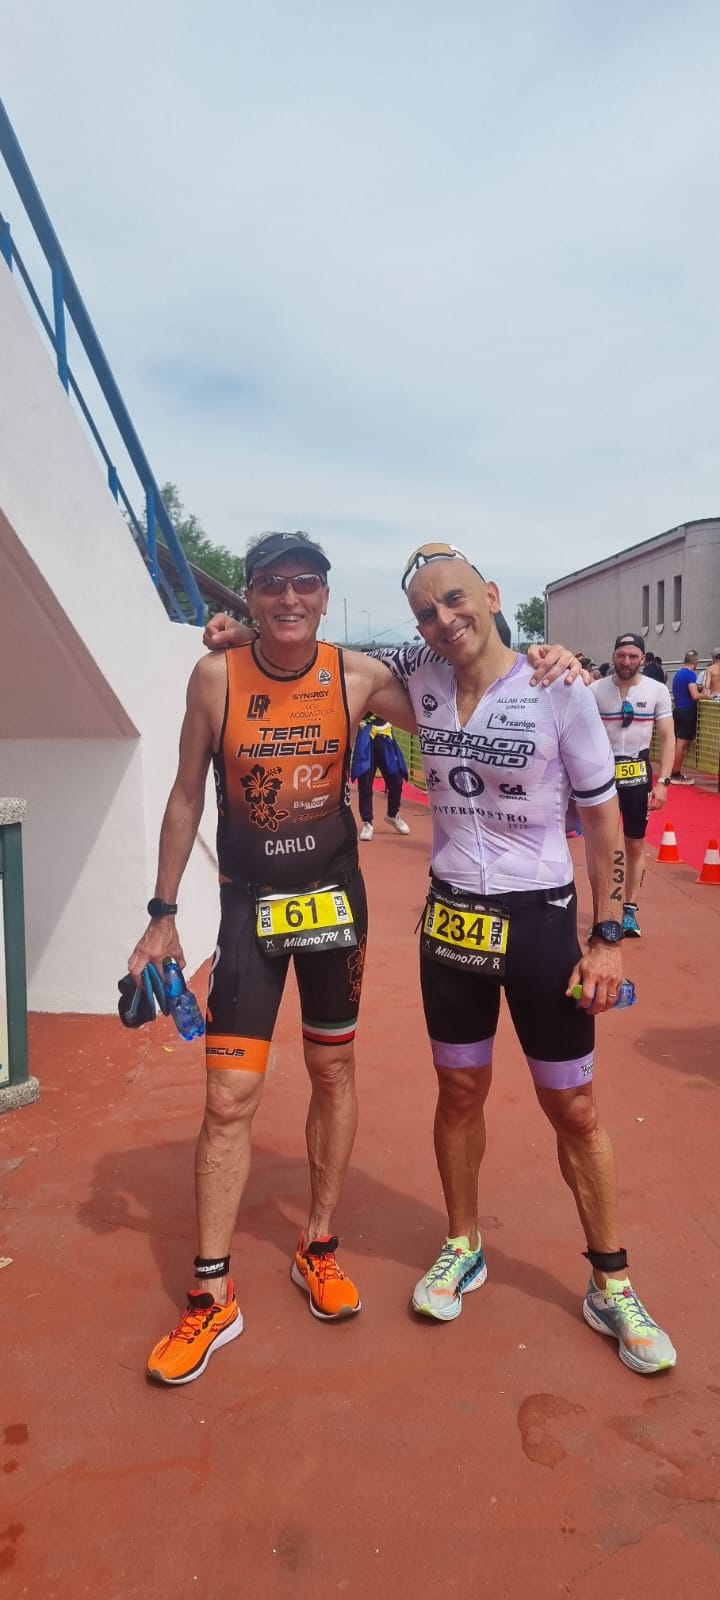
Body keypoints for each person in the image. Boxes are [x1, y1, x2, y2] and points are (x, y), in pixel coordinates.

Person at [134, 530, 580, 1385]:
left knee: (332, 1071)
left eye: (304, 583)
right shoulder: (216, 676)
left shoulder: (360, 676)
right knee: (228, 1097)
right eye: (271, 585)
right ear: (250, 596)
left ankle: (319, 1245)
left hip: (337, 905)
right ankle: (211, 1292)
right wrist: (162, 914)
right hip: (249, 908)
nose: (288, 597)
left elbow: (464, 689)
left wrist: (545, 661)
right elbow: (187, 792)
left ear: (325, 597)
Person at [377, 542, 675, 1375]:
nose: (444, 619)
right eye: (426, 612)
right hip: (452, 921)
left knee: (573, 1108)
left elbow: (604, 820)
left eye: (455, 599)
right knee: (458, 1091)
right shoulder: (420, 678)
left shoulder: (559, 688)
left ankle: (610, 1282)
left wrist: (606, 937)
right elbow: (323, 662)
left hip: (541, 921)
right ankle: (463, 1243)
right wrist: (238, 636)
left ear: (491, 593)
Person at [589, 633, 674, 938]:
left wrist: (663, 782)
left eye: (633, 656)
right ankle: (603, 913)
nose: (626, 661)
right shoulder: (595, 690)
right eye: (621, 655)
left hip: (638, 775)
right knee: (603, 846)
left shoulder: (656, 690)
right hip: (602, 775)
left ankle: (629, 910)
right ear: (613, 656)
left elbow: (668, 737)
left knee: (635, 844)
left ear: (642, 658)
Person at [351, 714, 410, 840]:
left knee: (396, 781)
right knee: (365, 783)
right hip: (367, 737)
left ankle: (392, 814)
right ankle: (367, 822)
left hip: (385, 736)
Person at [670, 649, 700, 784]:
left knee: (679, 743)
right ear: (696, 662)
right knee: (682, 744)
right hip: (687, 712)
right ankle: (675, 774)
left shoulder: (678, 674)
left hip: (677, 710)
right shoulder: (690, 674)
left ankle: (674, 771)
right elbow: (695, 695)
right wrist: (707, 696)